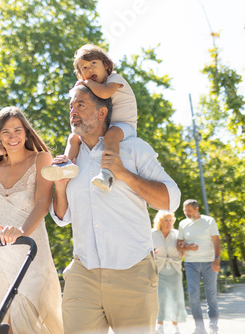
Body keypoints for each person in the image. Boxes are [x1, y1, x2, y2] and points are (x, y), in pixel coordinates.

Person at [50, 84, 181, 334]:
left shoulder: (132, 149)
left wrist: (123, 174)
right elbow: (61, 218)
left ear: (101, 113)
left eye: (81, 105)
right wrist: (60, 186)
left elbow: (170, 200)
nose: (73, 112)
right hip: (83, 273)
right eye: (71, 107)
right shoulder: (70, 160)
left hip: (133, 273)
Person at [0, 106, 63, 334]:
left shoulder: (42, 159)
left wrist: (21, 231)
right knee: (6, 326)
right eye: (6, 132)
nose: (13, 137)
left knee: (31, 324)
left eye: (17, 130)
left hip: (29, 255)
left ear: (26, 133)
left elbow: (42, 203)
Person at [42, 44, 137, 192]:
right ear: (80, 74)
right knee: (74, 137)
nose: (90, 69)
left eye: (93, 63)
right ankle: (66, 165)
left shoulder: (115, 79)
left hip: (124, 125)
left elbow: (105, 93)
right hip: (106, 124)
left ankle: (107, 173)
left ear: (106, 65)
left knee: (111, 136)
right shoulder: (93, 86)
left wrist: (86, 82)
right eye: (84, 68)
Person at [177, 199, 221, 334]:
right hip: (191, 264)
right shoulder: (183, 224)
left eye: (189, 210)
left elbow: (217, 242)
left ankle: (213, 327)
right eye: (185, 210)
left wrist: (217, 260)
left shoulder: (209, 221)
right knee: (193, 295)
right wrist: (188, 247)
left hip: (209, 263)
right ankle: (200, 328)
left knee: (211, 295)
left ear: (197, 209)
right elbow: (179, 244)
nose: (186, 213)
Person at [152, 211, 187, 334]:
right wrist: (152, 252)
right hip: (159, 269)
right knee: (160, 297)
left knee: (176, 297)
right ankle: (159, 324)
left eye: (171, 220)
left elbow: (183, 252)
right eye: (166, 220)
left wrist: (184, 248)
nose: (169, 223)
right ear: (160, 221)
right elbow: (146, 250)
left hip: (174, 269)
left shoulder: (177, 234)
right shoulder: (152, 234)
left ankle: (174, 325)